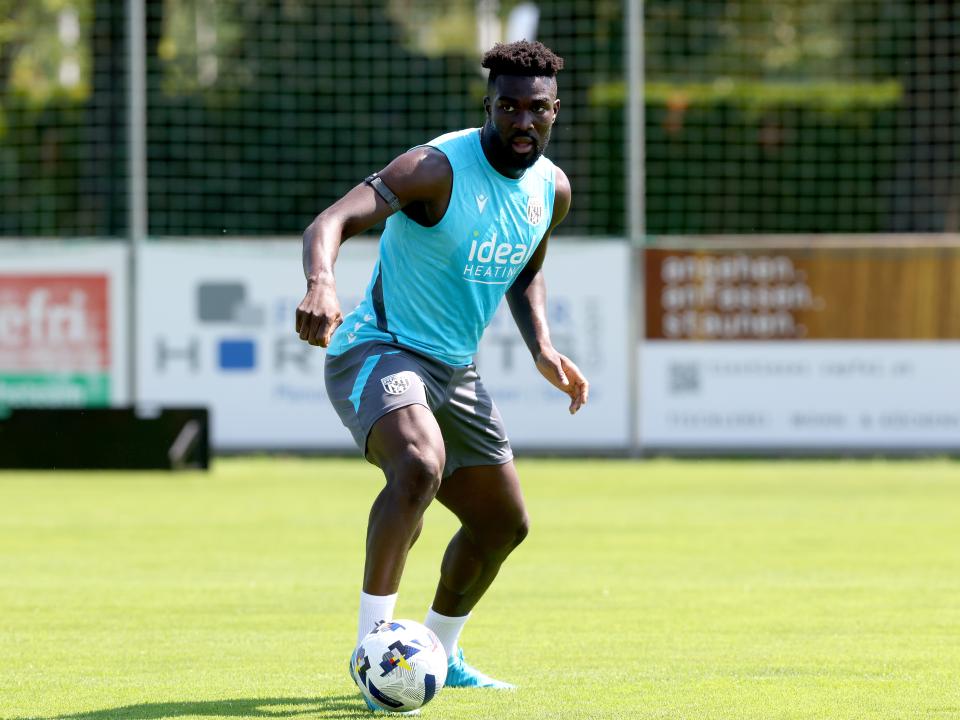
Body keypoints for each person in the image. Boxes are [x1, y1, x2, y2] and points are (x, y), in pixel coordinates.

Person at [295, 39, 588, 709]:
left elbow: (528, 269)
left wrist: (542, 346)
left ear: (554, 112)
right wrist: (321, 283)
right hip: (378, 350)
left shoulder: (552, 190)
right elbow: (331, 220)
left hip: (453, 371)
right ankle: (375, 654)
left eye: (535, 110)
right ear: (488, 106)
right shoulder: (434, 169)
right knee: (420, 466)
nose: (521, 122)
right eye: (507, 107)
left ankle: (441, 654)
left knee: (503, 525)